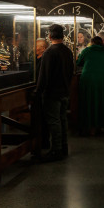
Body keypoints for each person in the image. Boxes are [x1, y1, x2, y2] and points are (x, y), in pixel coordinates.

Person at [35, 24, 74, 162]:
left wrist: (38, 92)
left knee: (54, 121)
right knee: (62, 120)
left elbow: (44, 76)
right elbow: (71, 72)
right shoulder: (68, 51)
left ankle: (56, 150)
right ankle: (63, 147)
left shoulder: (49, 53)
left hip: (52, 93)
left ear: (50, 36)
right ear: (62, 36)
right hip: (64, 91)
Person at [76, 36, 104, 135]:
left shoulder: (86, 51)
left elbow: (78, 63)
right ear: (101, 43)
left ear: (92, 42)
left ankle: (88, 126)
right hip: (102, 80)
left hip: (87, 80)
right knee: (101, 102)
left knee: (88, 102)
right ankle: (100, 124)